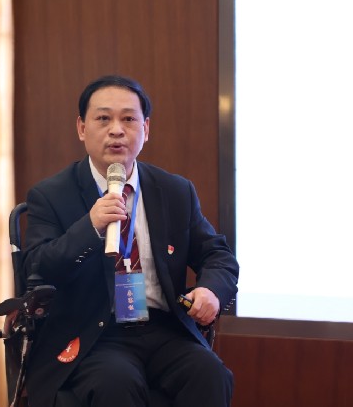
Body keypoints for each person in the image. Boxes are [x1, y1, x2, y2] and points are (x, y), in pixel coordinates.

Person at [22, 75, 240, 407]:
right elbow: (36, 268)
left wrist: (210, 290)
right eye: (103, 118)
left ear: (146, 129)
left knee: (210, 374)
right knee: (116, 383)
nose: (116, 130)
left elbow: (217, 255)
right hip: (92, 334)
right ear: (82, 128)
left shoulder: (175, 190)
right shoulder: (50, 195)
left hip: (162, 328)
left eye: (128, 119)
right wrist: (90, 228)